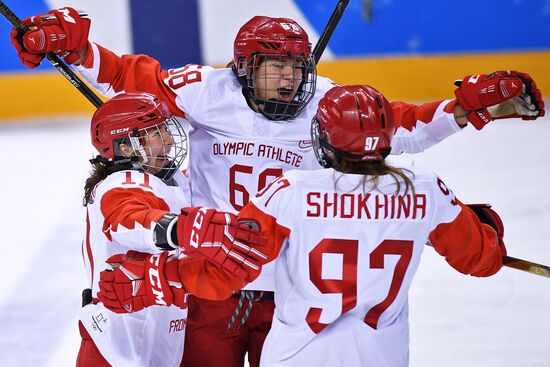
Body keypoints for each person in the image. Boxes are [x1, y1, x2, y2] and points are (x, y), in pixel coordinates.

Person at [10, 7, 544, 367]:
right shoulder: (204, 90)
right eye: (276, 68)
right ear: (245, 67)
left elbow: (401, 126)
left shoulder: (326, 102)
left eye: (296, 67)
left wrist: (465, 110)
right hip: (210, 281)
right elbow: (129, 75)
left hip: (290, 288)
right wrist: (77, 49)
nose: (290, 79)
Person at [98, 85, 508, 366]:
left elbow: (227, 272)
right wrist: (484, 228)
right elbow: (482, 259)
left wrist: (157, 277)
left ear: (323, 136)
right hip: (382, 358)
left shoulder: (289, 190)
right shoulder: (425, 190)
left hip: (297, 356)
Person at [78, 91, 267, 367]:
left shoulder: (172, 179)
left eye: (165, 128)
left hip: (161, 338)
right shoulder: (122, 183)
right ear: (127, 148)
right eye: (156, 133)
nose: (168, 139)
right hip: (115, 346)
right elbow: (128, 220)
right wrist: (187, 228)